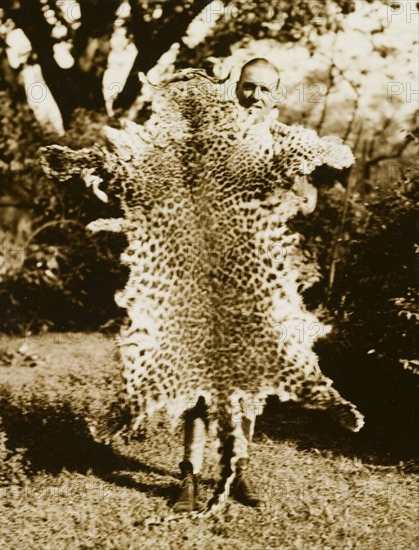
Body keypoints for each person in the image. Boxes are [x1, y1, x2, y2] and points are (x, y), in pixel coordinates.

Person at [173, 58, 283, 514]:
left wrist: (283, 197)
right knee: (201, 385)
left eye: (264, 90)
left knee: (250, 384)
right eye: (247, 87)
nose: (254, 96)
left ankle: (235, 470)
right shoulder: (207, 131)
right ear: (235, 87)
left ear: (275, 94)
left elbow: (306, 194)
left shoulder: (279, 140)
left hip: (255, 273)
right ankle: (189, 477)